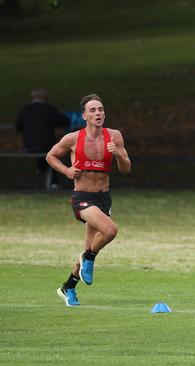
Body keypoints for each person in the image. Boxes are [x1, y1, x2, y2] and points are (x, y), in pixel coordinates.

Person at [46, 93, 131, 306]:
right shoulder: (73, 138)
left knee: (88, 247)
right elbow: (51, 156)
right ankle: (90, 257)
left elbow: (127, 168)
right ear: (84, 116)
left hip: (103, 198)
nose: (98, 113)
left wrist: (118, 155)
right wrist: (66, 171)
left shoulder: (114, 136)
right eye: (92, 110)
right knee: (110, 230)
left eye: (100, 109)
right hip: (82, 197)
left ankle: (68, 287)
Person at [15, 88, 70, 190]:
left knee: (44, 152)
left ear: (33, 97)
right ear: (45, 98)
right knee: (55, 154)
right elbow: (64, 121)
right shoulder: (49, 109)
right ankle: (54, 183)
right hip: (46, 144)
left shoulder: (25, 110)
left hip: (29, 145)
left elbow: (18, 127)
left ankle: (40, 171)